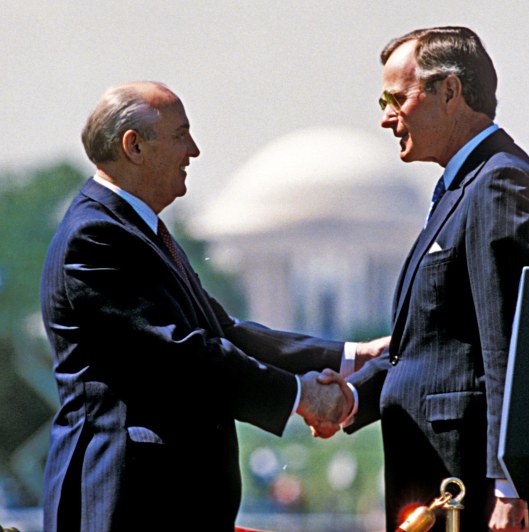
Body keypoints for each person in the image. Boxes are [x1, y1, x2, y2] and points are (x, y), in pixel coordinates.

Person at [39, 81, 387, 531]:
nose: (195, 151)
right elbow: (182, 356)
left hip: (164, 502)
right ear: (135, 146)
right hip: (127, 501)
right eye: (182, 134)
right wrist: (300, 396)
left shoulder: (138, 232)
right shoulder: (98, 236)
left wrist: (348, 356)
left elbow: (223, 331)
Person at [319, 27, 529, 531]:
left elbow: (509, 345)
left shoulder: (497, 183)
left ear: (450, 91)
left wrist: (510, 483)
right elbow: (433, 345)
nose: (386, 117)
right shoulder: (459, 188)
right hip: (436, 476)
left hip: (468, 484)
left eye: (397, 98)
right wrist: (355, 396)